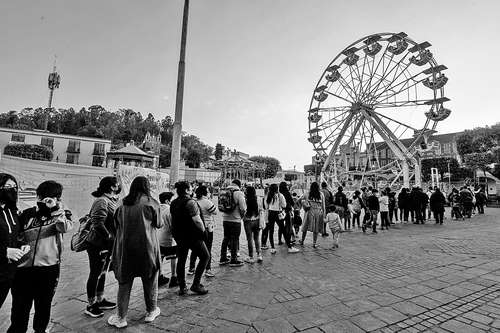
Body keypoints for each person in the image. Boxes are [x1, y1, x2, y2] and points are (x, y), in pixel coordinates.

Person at [8, 181, 73, 333]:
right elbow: (15, 236)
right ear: (38, 196)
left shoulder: (63, 214)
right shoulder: (26, 214)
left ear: (58, 199)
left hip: (48, 270)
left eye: (53, 198)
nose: (46, 201)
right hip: (22, 270)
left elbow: (65, 227)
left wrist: (55, 210)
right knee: (19, 309)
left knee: (43, 306)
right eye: (43, 197)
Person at [107, 176, 162, 328]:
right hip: (147, 248)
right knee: (150, 280)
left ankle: (121, 317)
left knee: (124, 283)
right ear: (146, 187)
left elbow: (115, 223)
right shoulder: (152, 202)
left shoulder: (122, 203)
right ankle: (151, 312)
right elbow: (159, 224)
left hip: (125, 248)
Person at [84, 176, 120, 318]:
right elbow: (97, 223)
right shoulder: (101, 201)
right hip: (98, 244)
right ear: (111, 187)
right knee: (95, 273)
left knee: (102, 272)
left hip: (106, 244)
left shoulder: (109, 200)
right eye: (117, 184)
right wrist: (109, 237)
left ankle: (100, 299)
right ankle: (91, 304)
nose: (119, 186)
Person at [171, 181, 210, 296]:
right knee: (205, 256)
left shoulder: (173, 203)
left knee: (181, 260)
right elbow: (197, 220)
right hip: (192, 235)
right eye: (191, 188)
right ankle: (196, 284)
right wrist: (204, 231)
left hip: (179, 236)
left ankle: (182, 287)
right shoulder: (190, 203)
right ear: (187, 190)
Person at [0, 173, 22, 309]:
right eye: (8, 186)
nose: (12, 190)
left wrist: (21, 246)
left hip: (7, 272)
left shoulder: (11, 210)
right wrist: (5, 251)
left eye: (15, 187)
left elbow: (13, 236)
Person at [190, 185, 217, 277]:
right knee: (208, 248)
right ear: (205, 192)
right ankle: (208, 269)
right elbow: (215, 212)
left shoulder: (193, 201)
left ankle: (191, 267)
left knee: (195, 248)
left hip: (195, 228)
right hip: (207, 227)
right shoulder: (206, 202)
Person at [264, 184, 299, 254]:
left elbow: (266, 206)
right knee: (283, 230)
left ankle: (272, 248)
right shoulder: (280, 195)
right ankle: (289, 247)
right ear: (277, 189)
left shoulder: (268, 195)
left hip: (270, 213)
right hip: (278, 214)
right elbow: (284, 205)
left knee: (271, 231)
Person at [219, 179, 246, 267]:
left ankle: (223, 258)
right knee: (234, 239)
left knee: (226, 238)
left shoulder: (224, 191)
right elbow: (243, 208)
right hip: (235, 219)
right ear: (239, 185)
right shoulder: (239, 193)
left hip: (225, 218)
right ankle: (233, 259)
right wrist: (242, 216)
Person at [158, 192, 178, 288]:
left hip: (157, 238)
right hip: (168, 238)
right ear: (167, 200)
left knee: (159, 257)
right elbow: (173, 225)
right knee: (173, 257)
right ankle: (174, 277)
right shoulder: (170, 210)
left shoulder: (156, 208)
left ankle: (159, 276)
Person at [299, 182, 325, 248]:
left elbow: (300, 200)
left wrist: (304, 204)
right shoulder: (321, 194)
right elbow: (323, 206)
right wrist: (324, 215)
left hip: (309, 211)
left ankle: (302, 241)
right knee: (316, 228)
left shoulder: (307, 193)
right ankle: (314, 243)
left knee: (305, 226)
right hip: (318, 212)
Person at [243, 186, 263, 263]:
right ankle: (259, 255)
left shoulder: (245, 199)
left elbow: (243, 209)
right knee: (257, 238)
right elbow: (261, 209)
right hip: (257, 220)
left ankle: (251, 257)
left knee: (249, 239)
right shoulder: (258, 199)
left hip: (247, 220)